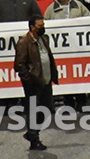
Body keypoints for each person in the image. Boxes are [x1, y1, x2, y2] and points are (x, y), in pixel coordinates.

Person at [13, 16, 57, 151]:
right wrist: (28, 80)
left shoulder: (42, 40)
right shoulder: (24, 42)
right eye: (40, 26)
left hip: (46, 80)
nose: (42, 28)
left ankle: (32, 133)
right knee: (33, 110)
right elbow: (19, 64)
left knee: (47, 109)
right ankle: (34, 138)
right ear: (32, 27)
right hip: (33, 82)